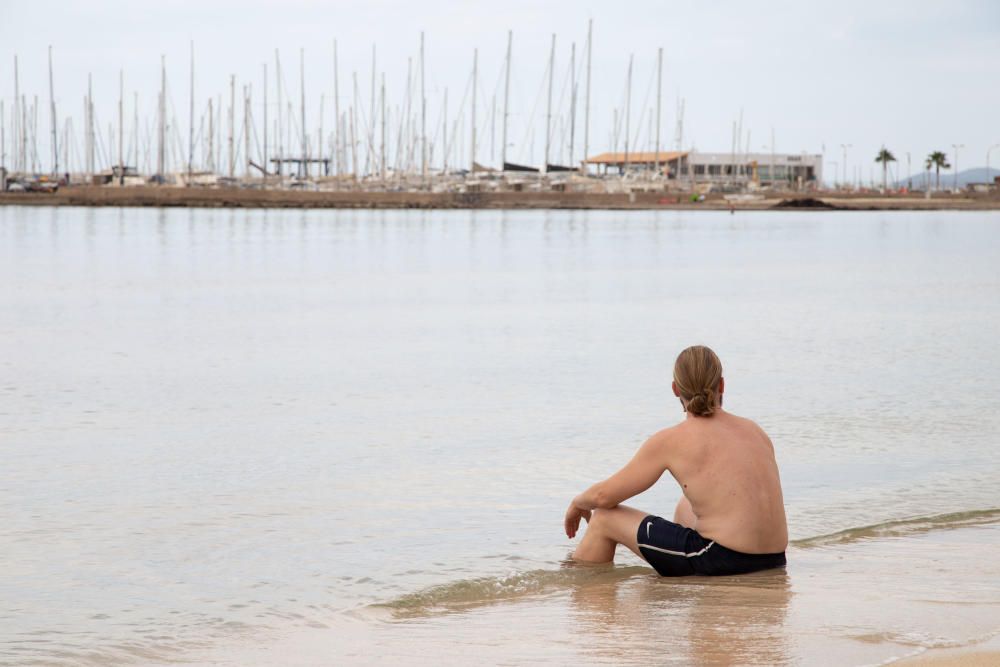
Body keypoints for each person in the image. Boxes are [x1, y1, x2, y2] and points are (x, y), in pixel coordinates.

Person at [564, 345, 788, 576]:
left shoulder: (672, 439)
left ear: (675, 389)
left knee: (604, 518)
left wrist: (577, 503)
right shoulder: (754, 430)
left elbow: (603, 497)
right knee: (685, 507)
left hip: (723, 560)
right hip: (774, 559)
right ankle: (682, 581)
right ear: (721, 385)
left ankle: (583, 593)